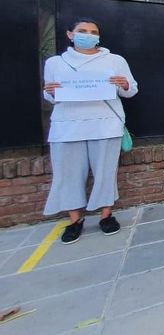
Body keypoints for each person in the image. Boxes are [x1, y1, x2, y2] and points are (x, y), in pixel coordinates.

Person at [42, 18, 138, 244]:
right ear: (70, 34)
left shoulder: (114, 60)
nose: (88, 35)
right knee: (68, 174)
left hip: (105, 124)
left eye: (93, 32)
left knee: (105, 172)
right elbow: (50, 96)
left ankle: (106, 215)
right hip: (67, 125)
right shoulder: (56, 63)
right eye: (82, 31)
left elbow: (131, 90)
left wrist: (124, 84)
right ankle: (75, 220)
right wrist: (50, 92)